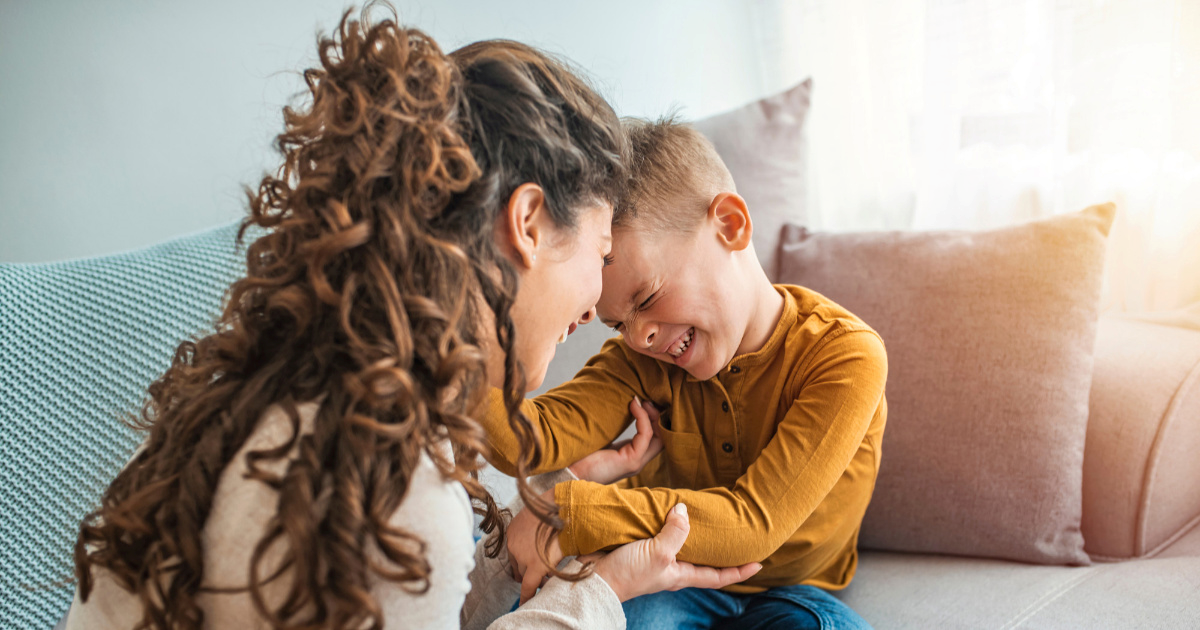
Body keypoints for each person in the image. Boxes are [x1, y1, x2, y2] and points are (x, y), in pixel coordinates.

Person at [62, 10, 759, 630]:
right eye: (600, 254)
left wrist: (539, 517)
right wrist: (600, 593)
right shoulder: (389, 486)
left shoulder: (308, 396)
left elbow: (415, 601)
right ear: (527, 223)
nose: (594, 307)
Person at [479, 117, 888, 629]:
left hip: (798, 591)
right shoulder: (642, 357)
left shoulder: (845, 357)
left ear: (730, 226)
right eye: (618, 323)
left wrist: (571, 511)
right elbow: (532, 440)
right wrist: (456, 353)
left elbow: (751, 525)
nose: (638, 337)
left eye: (646, 298)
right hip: (663, 573)